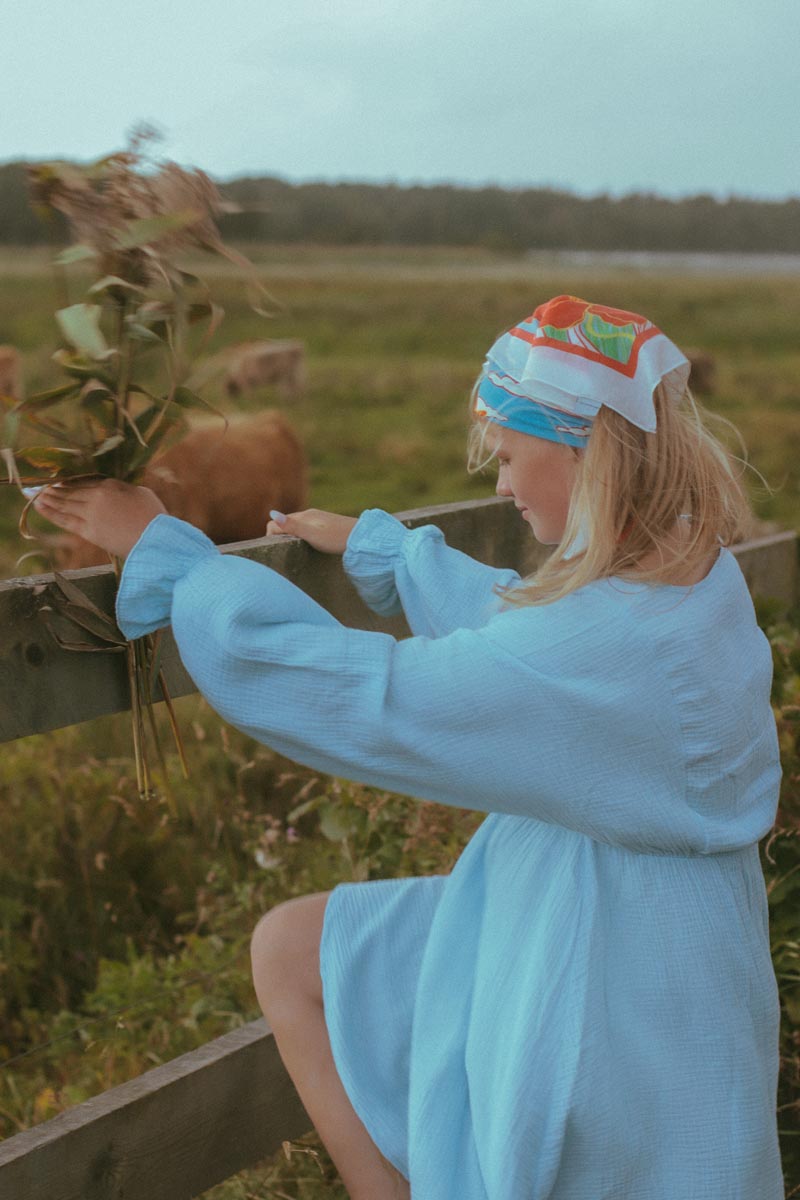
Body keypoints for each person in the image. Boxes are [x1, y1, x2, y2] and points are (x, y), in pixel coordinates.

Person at [33, 294, 784, 1200]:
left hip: (604, 981)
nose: (501, 485)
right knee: (294, 948)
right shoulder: (690, 576)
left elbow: (378, 698)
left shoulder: (599, 645)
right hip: (682, 956)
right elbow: (537, 644)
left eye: (508, 456)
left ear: (584, 447)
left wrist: (177, 563)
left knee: (306, 960)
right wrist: (390, 552)